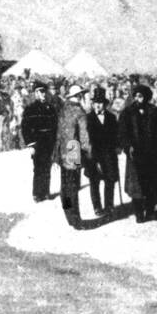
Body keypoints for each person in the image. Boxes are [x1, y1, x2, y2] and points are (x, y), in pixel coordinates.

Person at [119, 85, 157, 222]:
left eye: (141, 96)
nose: (139, 99)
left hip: (151, 153)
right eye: (136, 96)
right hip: (135, 154)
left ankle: (150, 211)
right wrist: (128, 146)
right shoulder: (127, 112)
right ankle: (139, 214)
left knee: (151, 183)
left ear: (147, 97)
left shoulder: (154, 111)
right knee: (136, 186)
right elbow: (122, 133)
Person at [57, 85, 90, 229]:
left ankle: (68, 215)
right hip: (74, 148)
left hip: (62, 149)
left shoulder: (63, 109)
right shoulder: (79, 112)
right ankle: (76, 220)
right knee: (73, 186)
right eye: (81, 95)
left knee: (65, 186)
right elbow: (84, 136)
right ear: (79, 96)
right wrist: (89, 152)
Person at [19, 84, 58, 203]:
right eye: (40, 92)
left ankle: (46, 192)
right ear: (36, 94)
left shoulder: (50, 108)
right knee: (38, 168)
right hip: (37, 142)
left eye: (44, 92)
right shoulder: (30, 109)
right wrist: (30, 145)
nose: (43, 94)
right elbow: (25, 128)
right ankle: (37, 193)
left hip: (49, 141)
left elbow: (55, 125)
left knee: (47, 166)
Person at [84, 89, 119, 218]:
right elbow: (86, 139)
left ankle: (109, 206)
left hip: (109, 155)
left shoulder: (111, 117)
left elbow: (116, 135)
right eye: (96, 103)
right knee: (95, 182)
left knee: (110, 180)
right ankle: (97, 207)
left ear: (105, 104)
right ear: (93, 104)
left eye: (101, 103)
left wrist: (117, 146)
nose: (98, 105)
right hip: (93, 156)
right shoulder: (88, 118)